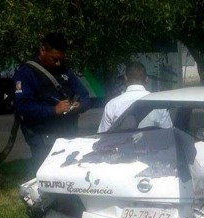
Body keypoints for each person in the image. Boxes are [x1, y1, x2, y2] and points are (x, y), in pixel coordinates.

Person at [13, 32, 91, 172]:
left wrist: (79, 106)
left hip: (68, 134)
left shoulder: (65, 71)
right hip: (43, 137)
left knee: (70, 174)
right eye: (54, 59)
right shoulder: (26, 73)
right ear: (43, 50)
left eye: (61, 59)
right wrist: (54, 110)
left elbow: (85, 95)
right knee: (48, 175)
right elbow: (22, 106)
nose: (58, 63)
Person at [97, 61, 172, 133]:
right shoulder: (159, 104)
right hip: (152, 146)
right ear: (146, 79)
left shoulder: (112, 105)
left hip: (121, 146)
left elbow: (102, 137)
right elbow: (168, 133)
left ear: (125, 78)